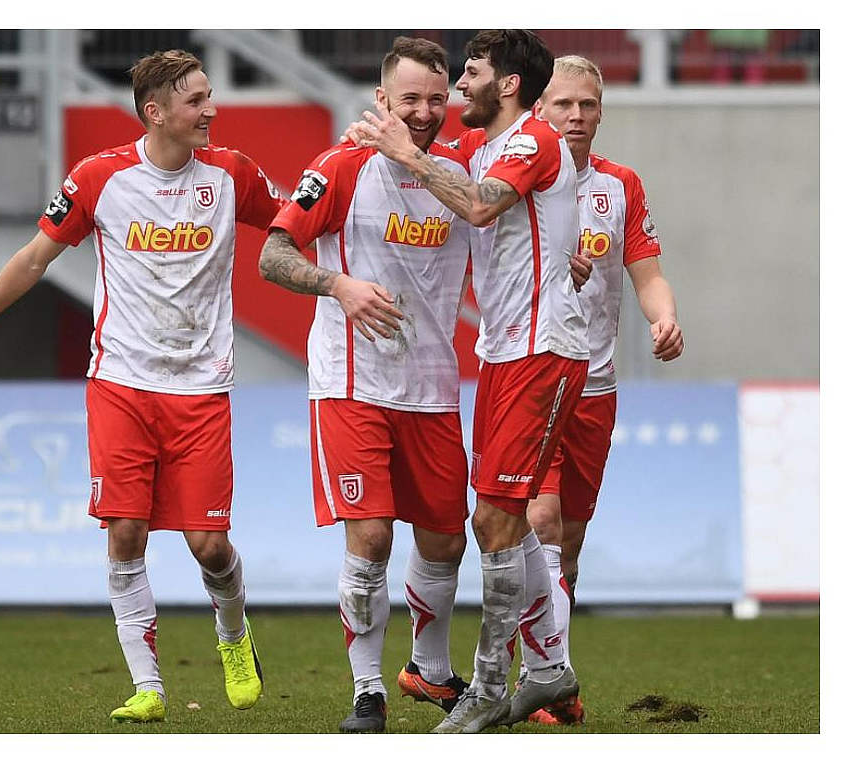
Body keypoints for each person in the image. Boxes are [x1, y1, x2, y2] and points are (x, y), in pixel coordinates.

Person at [0, 49, 282, 724]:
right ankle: (147, 685)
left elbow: (296, 222)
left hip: (201, 389)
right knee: (125, 533)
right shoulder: (99, 178)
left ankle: (234, 636)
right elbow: (34, 259)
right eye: (197, 99)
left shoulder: (232, 174)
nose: (212, 109)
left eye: (210, 96)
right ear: (157, 112)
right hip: (120, 382)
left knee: (209, 547)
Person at [349, 29, 591, 732]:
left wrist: (408, 153)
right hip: (503, 355)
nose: (460, 86)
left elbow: (482, 204)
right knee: (502, 521)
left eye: (473, 72)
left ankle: (489, 685)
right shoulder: (488, 148)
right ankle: (550, 668)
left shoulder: (529, 141)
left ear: (508, 84)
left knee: (493, 520)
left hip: (542, 351)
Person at [259, 36, 474, 734]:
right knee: (373, 536)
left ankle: (429, 670)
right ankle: (366, 691)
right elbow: (273, 253)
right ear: (381, 100)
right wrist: (338, 284)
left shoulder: (457, 174)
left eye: (436, 99)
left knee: (446, 538)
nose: (423, 111)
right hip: (352, 383)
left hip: (434, 386)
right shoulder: (340, 166)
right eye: (409, 98)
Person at [521, 54, 684, 726]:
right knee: (540, 522)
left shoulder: (620, 186)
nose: (577, 117)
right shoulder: (517, 179)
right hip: (530, 379)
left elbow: (646, 273)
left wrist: (664, 314)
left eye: (588, 105)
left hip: (596, 384)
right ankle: (546, 678)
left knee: (570, 543)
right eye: (564, 105)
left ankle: (547, 667)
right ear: (538, 108)